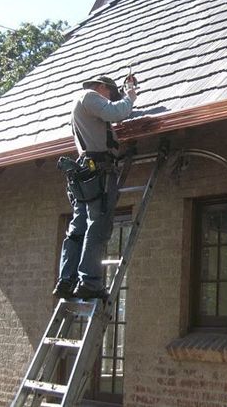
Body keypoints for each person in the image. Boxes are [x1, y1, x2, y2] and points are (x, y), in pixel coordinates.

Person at [53, 74, 138, 300]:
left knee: (78, 227)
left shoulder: (80, 105)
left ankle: (67, 280)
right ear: (102, 87)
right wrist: (130, 95)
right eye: (111, 94)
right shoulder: (89, 97)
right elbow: (117, 112)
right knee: (98, 224)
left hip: (84, 172)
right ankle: (90, 281)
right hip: (98, 170)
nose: (110, 99)